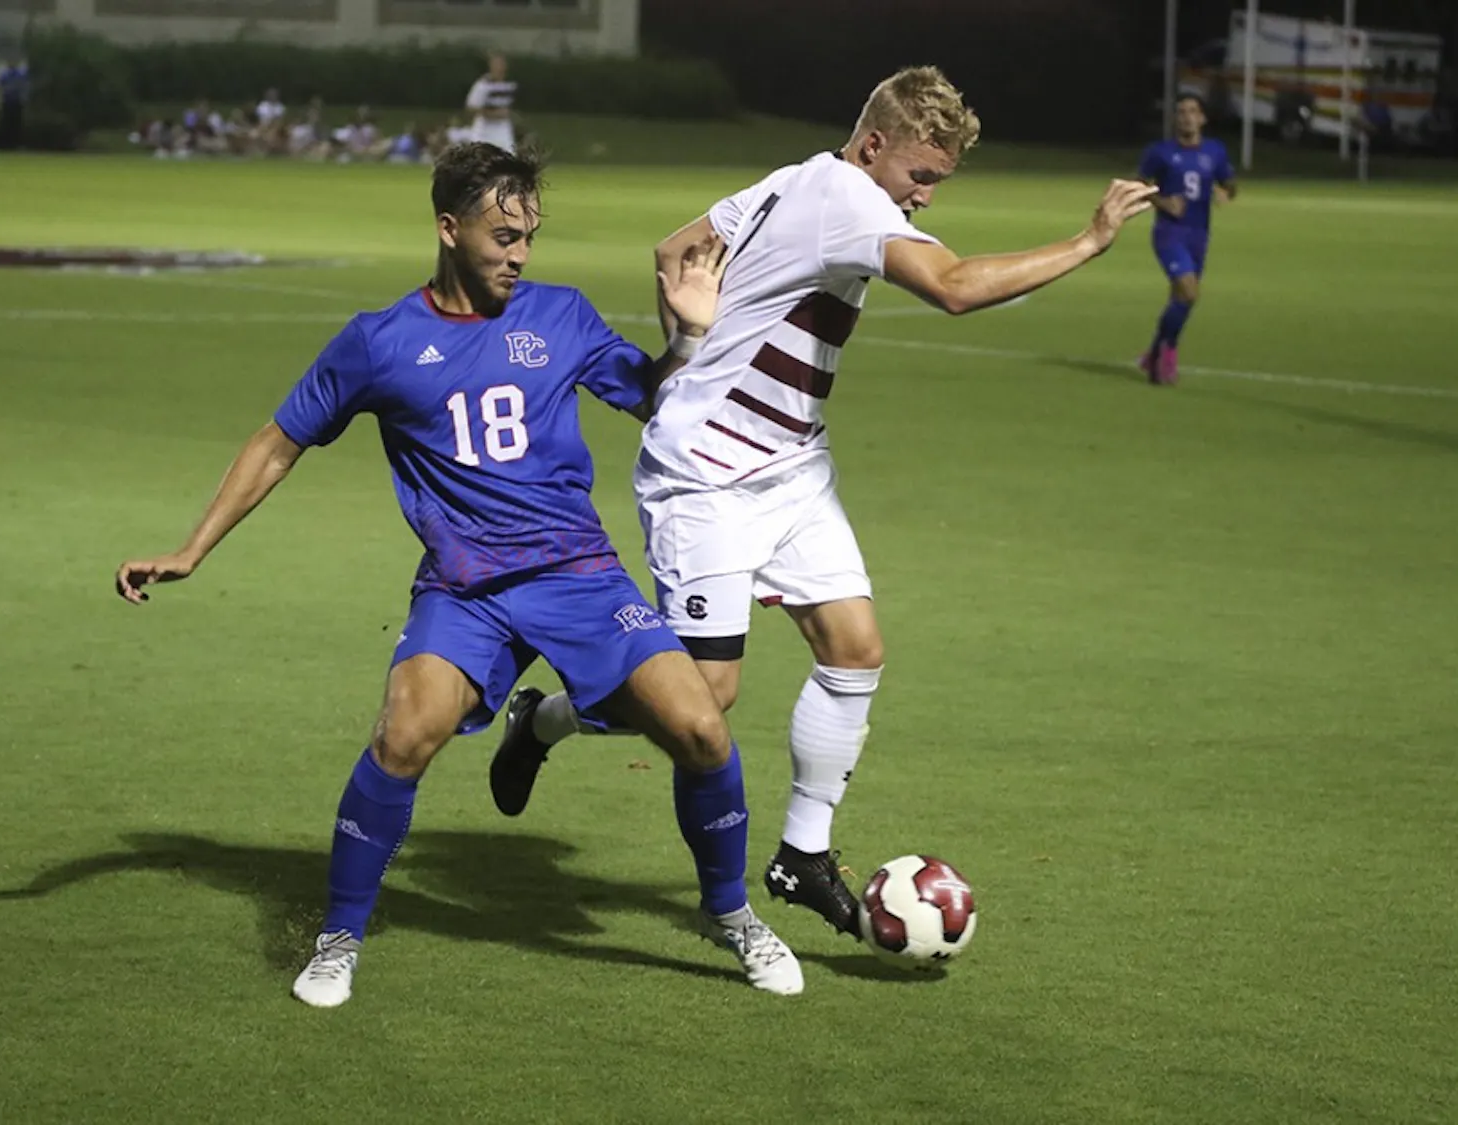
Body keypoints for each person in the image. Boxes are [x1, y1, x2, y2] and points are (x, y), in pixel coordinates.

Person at [113, 142, 803, 1005]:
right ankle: (338, 936)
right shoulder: (379, 342)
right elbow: (279, 440)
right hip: (465, 586)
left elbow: (654, 396)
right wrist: (192, 548)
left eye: (530, 237)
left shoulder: (561, 314)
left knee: (702, 730)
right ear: (449, 228)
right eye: (504, 236)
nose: (520, 255)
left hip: (579, 573)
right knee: (404, 735)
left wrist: (689, 336)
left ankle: (731, 911)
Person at [489, 66, 1156, 937]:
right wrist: (1089, 241)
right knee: (704, 697)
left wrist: (688, 341)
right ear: (874, 146)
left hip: (793, 466)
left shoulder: (798, 176)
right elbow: (954, 288)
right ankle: (542, 720)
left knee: (855, 648)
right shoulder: (846, 198)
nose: (925, 196)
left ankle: (802, 854)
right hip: (707, 477)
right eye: (921, 174)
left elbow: (676, 248)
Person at [1136, 93, 1237, 386]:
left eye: (1192, 111)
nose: (1187, 117)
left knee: (1181, 299)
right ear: (1175, 119)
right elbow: (1139, 185)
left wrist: (1225, 192)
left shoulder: (1215, 151)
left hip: (1199, 235)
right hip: (1169, 233)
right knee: (1190, 293)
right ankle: (1167, 354)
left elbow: (1230, 183)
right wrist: (1163, 202)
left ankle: (1153, 353)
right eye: (1181, 112)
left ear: (1202, 118)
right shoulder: (1160, 152)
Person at [466, 53, 518, 154]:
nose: (499, 67)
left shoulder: (510, 84)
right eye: (496, 64)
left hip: (503, 129)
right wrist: (491, 114)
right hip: (484, 131)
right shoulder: (482, 85)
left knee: (508, 156)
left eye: (501, 64)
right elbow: (471, 107)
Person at [0, 59, 28, 150]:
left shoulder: (20, 74)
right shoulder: (5, 74)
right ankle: (6, 143)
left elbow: (24, 86)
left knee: (17, 124)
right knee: (7, 124)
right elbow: (0, 86)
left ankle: (16, 143)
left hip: (17, 102)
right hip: (7, 102)